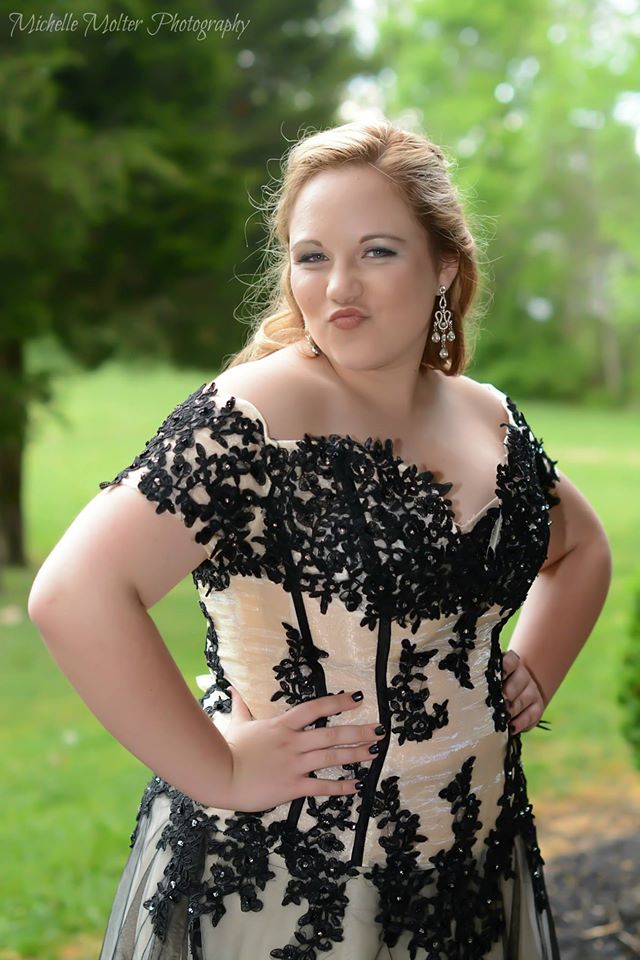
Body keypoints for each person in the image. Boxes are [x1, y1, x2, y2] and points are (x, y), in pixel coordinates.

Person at [28, 118, 612, 960]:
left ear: (444, 266)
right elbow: (75, 594)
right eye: (312, 256)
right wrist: (220, 768)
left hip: (475, 868)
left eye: (378, 251)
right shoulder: (254, 415)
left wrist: (537, 672)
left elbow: (581, 547)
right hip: (292, 885)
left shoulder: (485, 415)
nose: (340, 285)